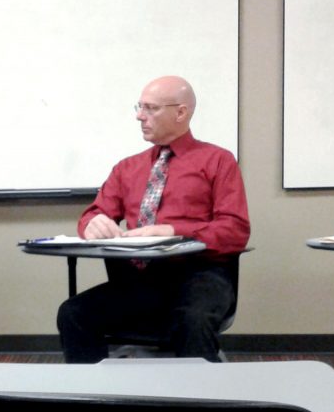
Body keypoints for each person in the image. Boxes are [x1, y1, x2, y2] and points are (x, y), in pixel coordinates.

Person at [56, 76, 249, 363]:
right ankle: (96, 400)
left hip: (200, 276)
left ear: (181, 112)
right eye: (139, 107)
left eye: (150, 108)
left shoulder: (218, 161)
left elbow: (235, 229)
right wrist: (92, 224)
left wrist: (173, 231)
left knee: (192, 319)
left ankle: (200, 404)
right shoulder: (127, 168)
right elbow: (93, 214)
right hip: (139, 282)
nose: (139, 116)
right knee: (73, 313)